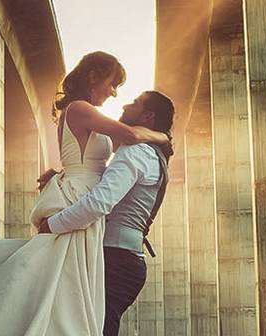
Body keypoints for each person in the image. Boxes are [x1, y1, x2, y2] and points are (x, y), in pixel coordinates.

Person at [0, 51, 171, 336]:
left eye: (123, 92)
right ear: (93, 76)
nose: (114, 93)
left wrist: (59, 173)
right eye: (113, 83)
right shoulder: (81, 109)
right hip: (83, 201)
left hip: (86, 201)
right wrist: (163, 137)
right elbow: (129, 138)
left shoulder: (94, 120)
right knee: (61, 292)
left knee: (64, 292)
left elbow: (96, 162)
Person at [37, 90, 174, 336]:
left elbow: (99, 202)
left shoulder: (136, 152)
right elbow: (104, 185)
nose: (125, 104)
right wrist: (60, 175)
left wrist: (51, 225)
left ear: (147, 116)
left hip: (115, 260)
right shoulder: (151, 155)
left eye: (134, 102)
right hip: (124, 259)